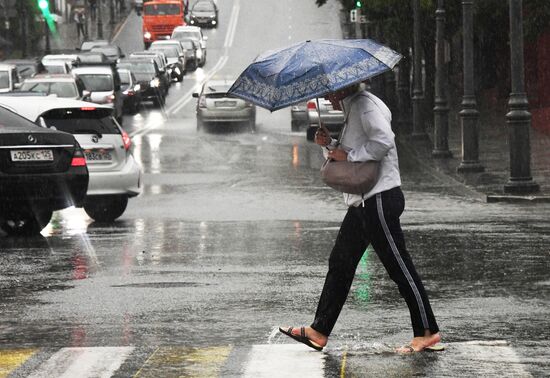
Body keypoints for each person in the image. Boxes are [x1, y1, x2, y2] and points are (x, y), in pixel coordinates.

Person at [279, 82, 441, 353]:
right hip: (362, 204)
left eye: (328, 92)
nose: (326, 98)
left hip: (378, 199)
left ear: (342, 89)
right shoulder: (354, 108)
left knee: (399, 266)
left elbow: (384, 141)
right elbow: (350, 152)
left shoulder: (365, 106)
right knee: (340, 262)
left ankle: (427, 332)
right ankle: (320, 330)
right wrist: (329, 143)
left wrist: (350, 153)